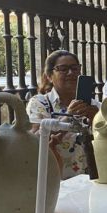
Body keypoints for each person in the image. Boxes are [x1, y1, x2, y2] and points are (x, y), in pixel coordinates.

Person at [27, 50, 99, 179]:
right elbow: (34, 140)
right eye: (63, 69)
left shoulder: (94, 105)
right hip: (55, 178)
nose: (71, 73)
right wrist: (69, 116)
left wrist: (98, 119)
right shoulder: (40, 103)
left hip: (88, 177)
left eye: (75, 68)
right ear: (49, 76)